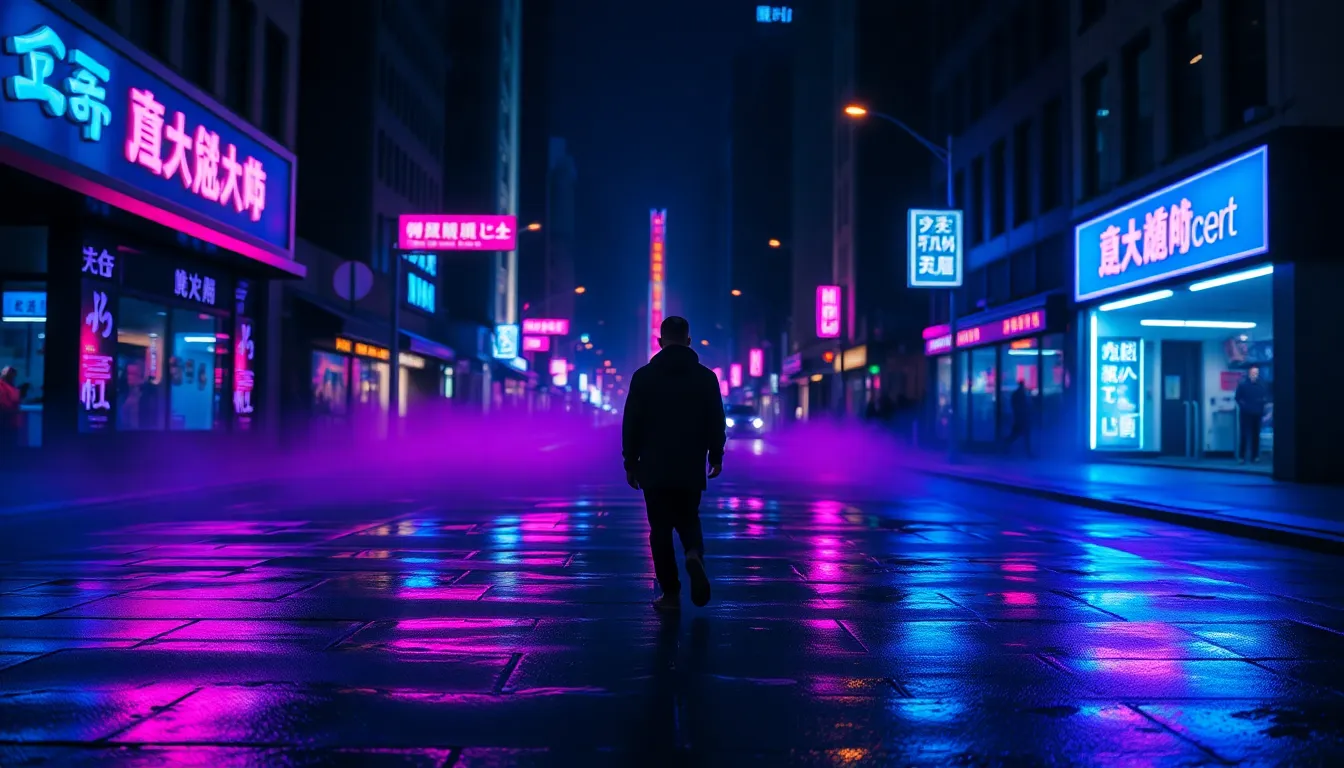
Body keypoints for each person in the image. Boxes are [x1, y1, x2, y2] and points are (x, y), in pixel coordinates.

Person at [622, 316, 727, 612]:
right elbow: (716, 420)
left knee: (660, 531)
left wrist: (630, 462)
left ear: (660, 342)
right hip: (690, 464)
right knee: (689, 517)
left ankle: (670, 594)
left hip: (654, 466)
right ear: (689, 342)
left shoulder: (643, 376)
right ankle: (693, 553)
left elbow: (632, 423)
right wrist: (716, 455)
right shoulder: (706, 377)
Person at [1235, 366, 1269, 464]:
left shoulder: (1262, 385)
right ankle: (1242, 457)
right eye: (1253, 372)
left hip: (1257, 413)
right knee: (1244, 435)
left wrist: (1263, 409)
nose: (1255, 374)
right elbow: (1237, 398)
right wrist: (1244, 406)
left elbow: (1265, 398)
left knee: (1256, 435)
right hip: (1245, 414)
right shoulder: (1243, 385)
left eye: (1256, 372)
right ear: (1249, 373)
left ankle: (1255, 456)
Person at [1004, 379, 1032, 455]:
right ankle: (1028, 452)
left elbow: (1015, 405)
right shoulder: (1021, 394)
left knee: (1016, 435)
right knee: (1020, 435)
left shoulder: (1016, 394)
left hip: (1019, 417)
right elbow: (1024, 406)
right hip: (1021, 418)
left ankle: (1005, 446)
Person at [0, 367, 21, 448]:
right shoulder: (2, 386)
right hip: (4, 421)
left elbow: (15, 401)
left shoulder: (13, 388)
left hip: (12, 423)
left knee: (10, 446)